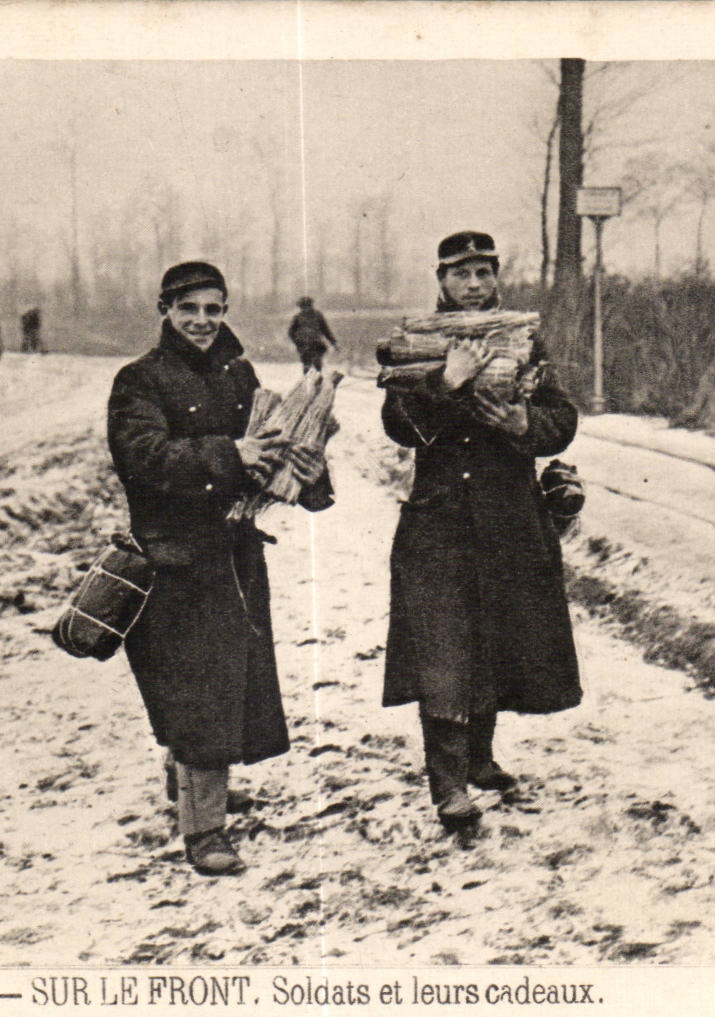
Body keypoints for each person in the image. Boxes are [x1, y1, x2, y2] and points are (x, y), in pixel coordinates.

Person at [107, 260, 332, 876]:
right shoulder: (139, 380)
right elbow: (143, 458)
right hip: (174, 560)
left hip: (234, 555)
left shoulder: (240, 374)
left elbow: (267, 451)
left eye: (213, 309)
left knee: (222, 686)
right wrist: (230, 453)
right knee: (198, 691)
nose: (202, 321)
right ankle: (203, 830)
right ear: (165, 311)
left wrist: (304, 468)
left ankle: (191, 784)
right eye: (189, 309)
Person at [380, 231, 582, 833]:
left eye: (483, 273)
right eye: (461, 274)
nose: (473, 284)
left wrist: (524, 421)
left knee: (495, 637)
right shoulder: (418, 342)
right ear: (441, 281)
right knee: (442, 648)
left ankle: (479, 758)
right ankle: (448, 784)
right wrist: (446, 382)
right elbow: (398, 423)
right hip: (439, 520)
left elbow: (562, 417)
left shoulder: (523, 337)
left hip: (507, 517)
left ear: (496, 278)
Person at [288, 296, 338, 373]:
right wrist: (297, 342)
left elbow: (325, 330)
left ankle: (318, 376)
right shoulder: (297, 318)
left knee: (317, 362)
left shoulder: (318, 316)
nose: (306, 309)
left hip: (316, 344)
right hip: (304, 345)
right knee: (307, 364)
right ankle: (308, 377)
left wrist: (333, 342)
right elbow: (291, 332)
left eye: (308, 306)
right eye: (303, 307)